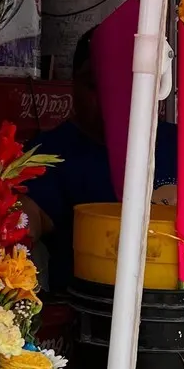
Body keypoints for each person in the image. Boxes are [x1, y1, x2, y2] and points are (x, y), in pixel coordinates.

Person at [23, 27, 176, 292]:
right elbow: (24, 221)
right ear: (72, 85)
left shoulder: (181, 148)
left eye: (127, 85)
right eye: (96, 85)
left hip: (178, 307)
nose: (111, 98)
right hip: (86, 315)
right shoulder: (48, 154)